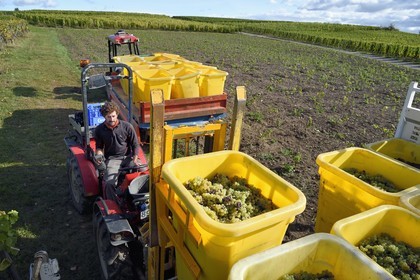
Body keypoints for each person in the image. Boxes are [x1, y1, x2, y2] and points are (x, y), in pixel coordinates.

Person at [94, 101, 141, 198]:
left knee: (144, 174)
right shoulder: (99, 130)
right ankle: (112, 206)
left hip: (129, 157)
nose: (112, 119)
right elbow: (99, 147)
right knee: (109, 183)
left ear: (117, 114)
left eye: (113, 116)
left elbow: (135, 144)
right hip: (112, 160)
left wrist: (135, 159)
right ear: (104, 116)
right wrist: (98, 156)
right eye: (108, 117)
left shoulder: (127, 126)